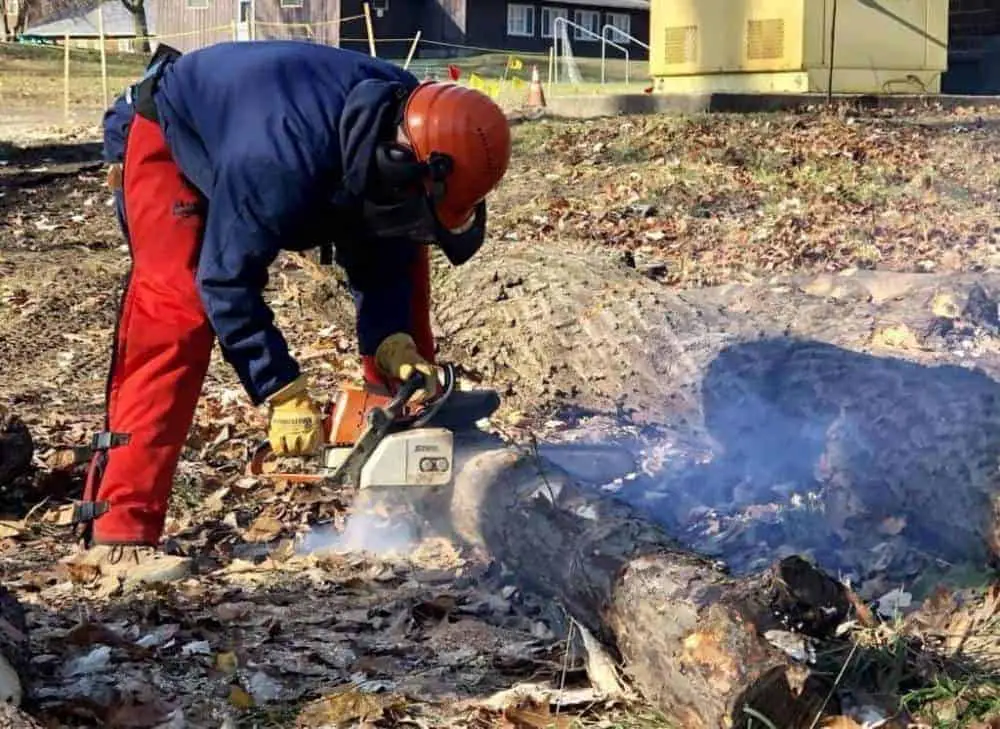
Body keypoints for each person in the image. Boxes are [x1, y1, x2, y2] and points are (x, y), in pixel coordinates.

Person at [69, 40, 512, 585]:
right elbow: (227, 281)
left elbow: (390, 242)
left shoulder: (414, 119)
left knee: (408, 264)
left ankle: (395, 472)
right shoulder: (276, 157)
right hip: (174, 137)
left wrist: (393, 338)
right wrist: (280, 389)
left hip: (292, 136)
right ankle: (119, 534)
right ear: (399, 160)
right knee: (176, 308)